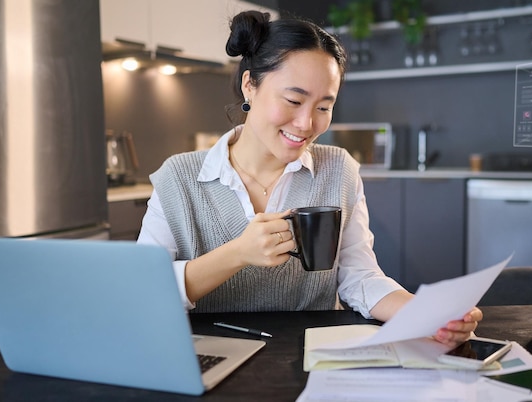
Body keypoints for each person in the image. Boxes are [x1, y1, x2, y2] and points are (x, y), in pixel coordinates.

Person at [137, 10, 481, 347]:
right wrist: (238, 254)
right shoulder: (179, 178)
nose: (306, 124)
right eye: (293, 100)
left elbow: (359, 276)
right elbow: (142, 293)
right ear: (249, 87)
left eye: (323, 107)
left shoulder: (338, 169)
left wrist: (425, 314)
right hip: (206, 359)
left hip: (309, 362)